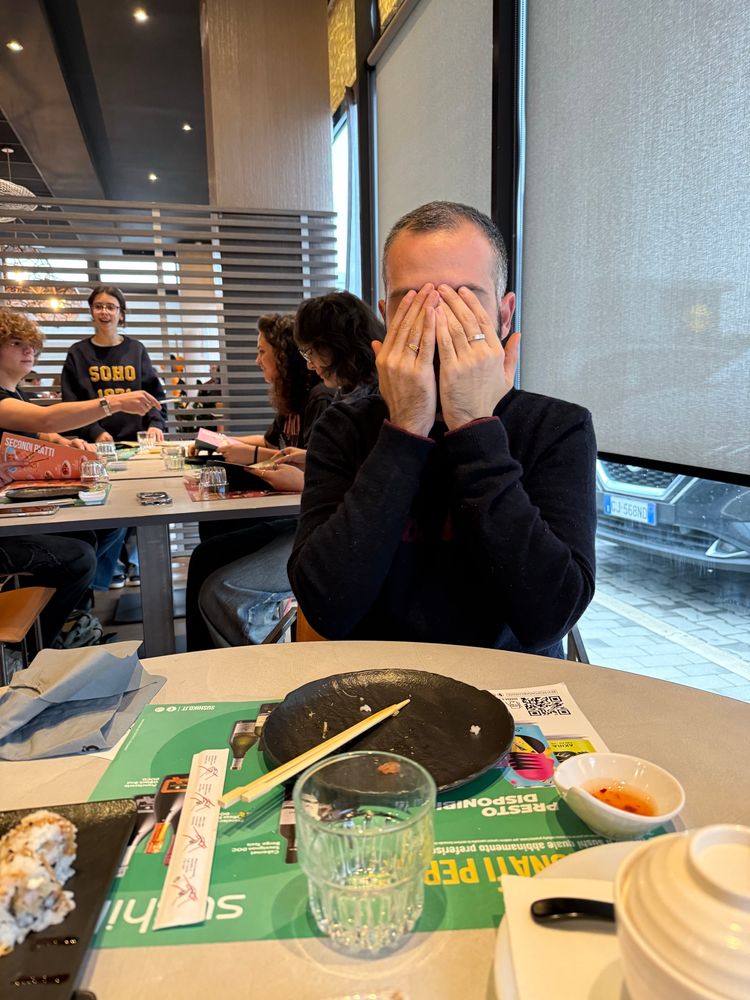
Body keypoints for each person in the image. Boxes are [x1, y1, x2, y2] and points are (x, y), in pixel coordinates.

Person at [287, 202, 597, 657]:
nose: (435, 322)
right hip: (373, 679)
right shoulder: (344, 426)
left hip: (509, 682)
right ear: (386, 317)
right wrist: (406, 427)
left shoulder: (556, 428)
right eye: (411, 303)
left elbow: (548, 618)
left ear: (504, 315)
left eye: (462, 300)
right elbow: (326, 608)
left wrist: (474, 426)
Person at [187, 297, 381, 649]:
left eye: (310, 352)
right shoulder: (346, 397)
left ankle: (256, 670)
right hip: (321, 524)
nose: (309, 363)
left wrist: (306, 479)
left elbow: (373, 490)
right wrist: (311, 462)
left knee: (221, 588)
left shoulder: (354, 403)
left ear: (332, 347)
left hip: (332, 534)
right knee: (208, 554)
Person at [0, 308, 161, 643]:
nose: (28, 350)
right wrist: (114, 402)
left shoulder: (15, 395)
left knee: (94, 531)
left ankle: (70, 618)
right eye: (16, 343)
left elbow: (39, 433)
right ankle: (36, 645)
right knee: (78, 555)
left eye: (31, 344)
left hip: (11, 513)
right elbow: (44, 420)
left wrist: (65, 442)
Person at [61, 286, 168, 589]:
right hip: (98, 447)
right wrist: (95, 431)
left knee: (139, 502)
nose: (104, 312)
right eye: (98, 306)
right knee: (106, 506)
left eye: (111, 306)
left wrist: (156, 424)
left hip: (137, 445)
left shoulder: (136, 350)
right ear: (91, 311)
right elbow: (70, 404)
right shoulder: (78, 353)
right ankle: (112, 568)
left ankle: (134, 562)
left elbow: (154, 396)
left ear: (121, 314)